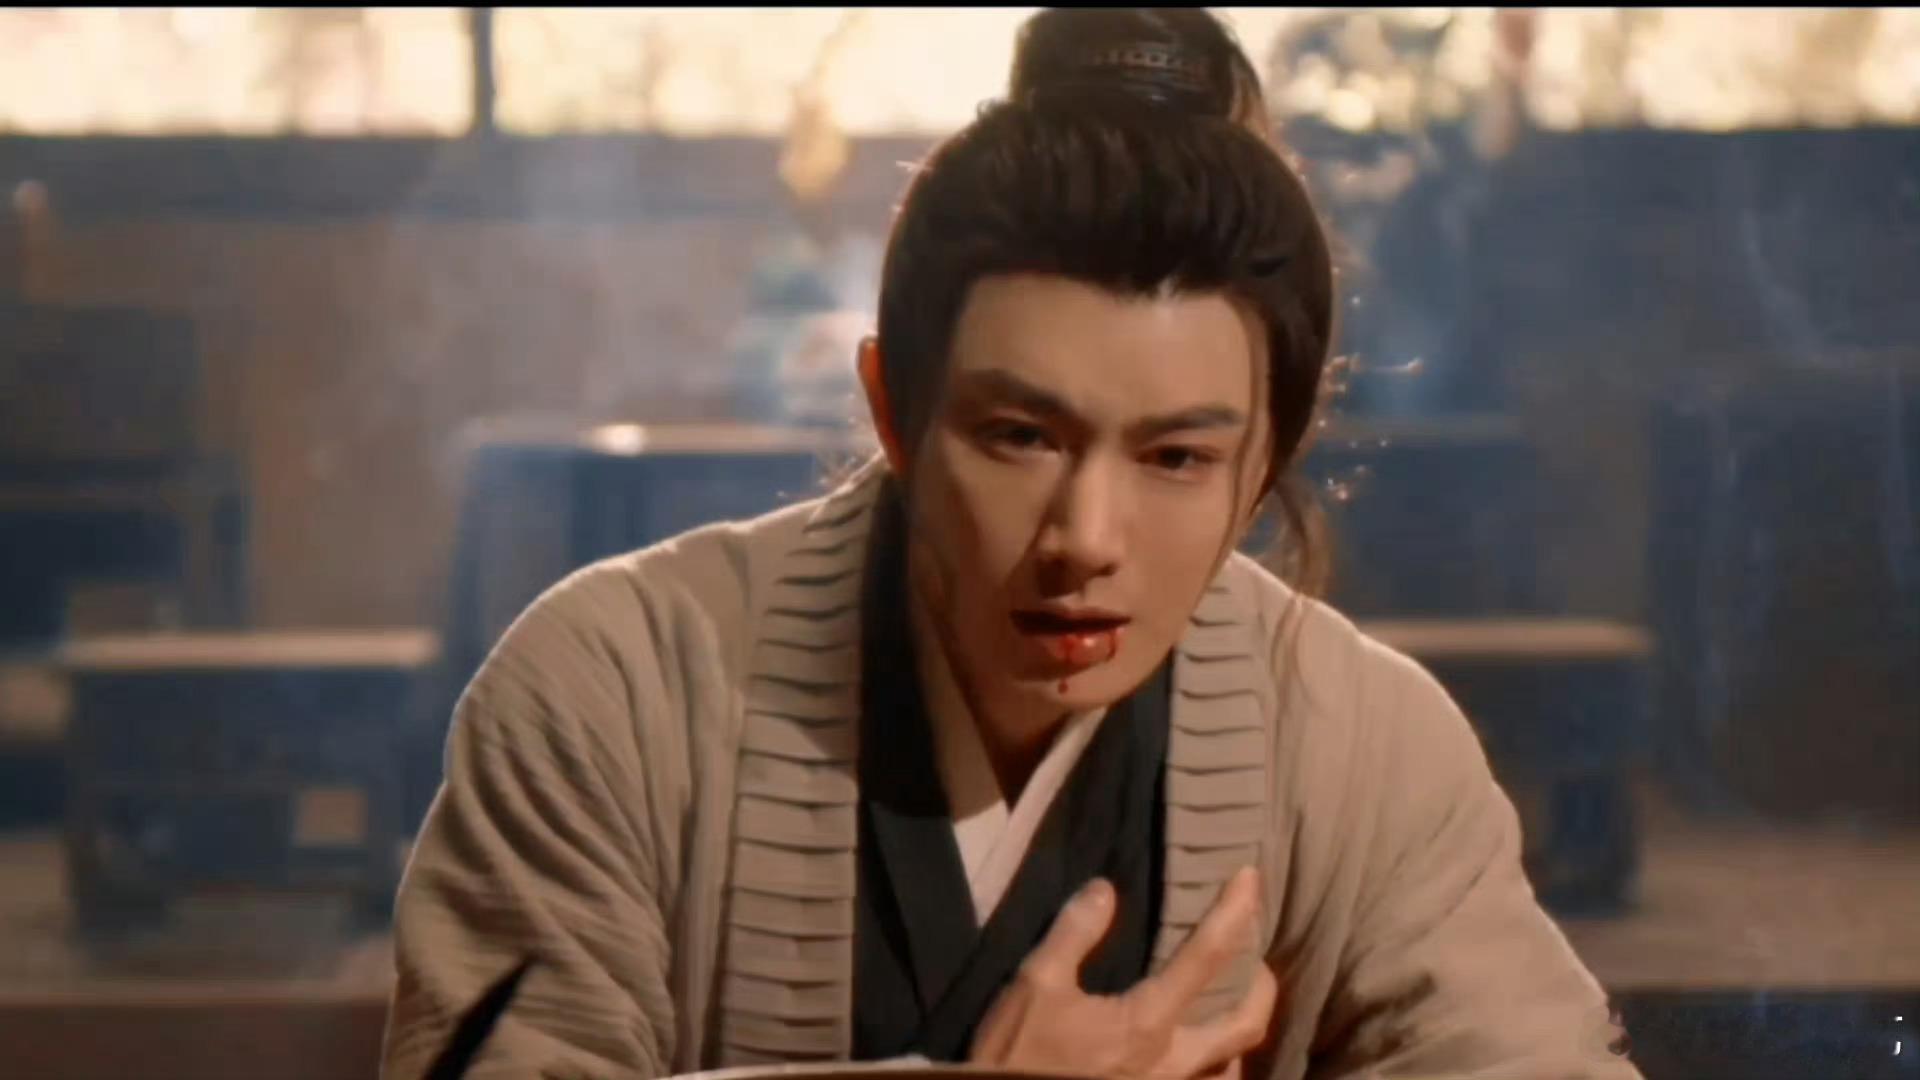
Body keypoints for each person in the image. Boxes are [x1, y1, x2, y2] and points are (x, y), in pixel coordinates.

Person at [381, 9, 1639, 1079]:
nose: (1083, 540)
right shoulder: (612, 691)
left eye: (1177, 457)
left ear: (1267, 458)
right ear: (894, 411)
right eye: (1020, 436)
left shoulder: (1365, 747)